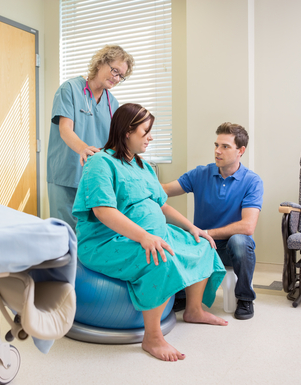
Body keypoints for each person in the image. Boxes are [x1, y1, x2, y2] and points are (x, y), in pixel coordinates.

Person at [72, 103, 227, 362]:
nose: (151, 137)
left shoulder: (142, 166)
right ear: (126, 133)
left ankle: (194, 309)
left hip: (153, 233)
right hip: (107, 241)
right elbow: (103, 211)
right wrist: (143, 237)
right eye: (146, 131)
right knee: (159, 258)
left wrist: (192, 227)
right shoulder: (100, 163)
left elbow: (162, 204)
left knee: (201, 245)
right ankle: (152, 337)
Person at [162, 122, 264, 320]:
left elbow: (248, 226)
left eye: (225, 146)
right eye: (216, 145)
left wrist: (206, 233)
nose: (217, 151)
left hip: (228, 250)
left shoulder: (252, 181)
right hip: (201, 247)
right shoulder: (200, 173)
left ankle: (244, 298)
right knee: (174, 234)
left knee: (241, 241)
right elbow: (165, 189)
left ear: (240, 151)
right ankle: (183, 295)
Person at [47, 45, 135, 230]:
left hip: (95, 176)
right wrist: (83, 149)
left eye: (121, 76)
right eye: (114, 70)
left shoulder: (112, 103)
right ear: (101, 62)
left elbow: (114, 141)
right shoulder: (69, 89)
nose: (116, 78)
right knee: (66, 232)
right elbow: (65, 129)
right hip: (67, 173)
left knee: (92, 232)